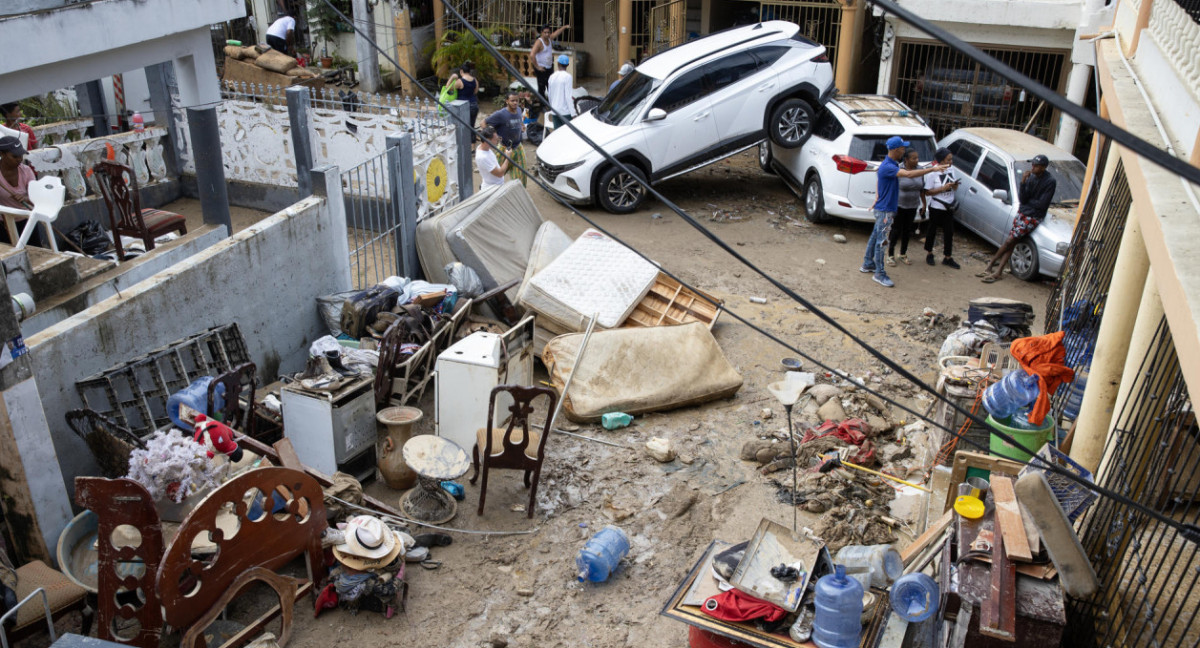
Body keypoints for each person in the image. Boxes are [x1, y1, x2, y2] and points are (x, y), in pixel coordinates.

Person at [861, 136, 948, 288]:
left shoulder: (891, 164)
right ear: (895, 150)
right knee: (882, 242)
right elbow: (907, 174)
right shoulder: (889, 166)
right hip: (885, 210)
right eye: (902, 148)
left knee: (876, 235)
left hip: (884, 209)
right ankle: (879, 273)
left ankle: (868, 263)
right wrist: (933, 169)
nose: (904, 151)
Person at [978, 154, 1057, 283]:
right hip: (1023, 212)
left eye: (1036, 166)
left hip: (1033, 216)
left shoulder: (1050, 182)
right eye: (1033, 165)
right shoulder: (1030, 177)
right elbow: (1023, 198)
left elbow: (1042, 204)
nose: (1033, 168)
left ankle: (991, 264)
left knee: (1010, 241)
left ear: (1043, 167)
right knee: (1012, 242)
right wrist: (1023, 182)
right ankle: (998, 270)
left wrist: (1029, 203)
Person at [922, 147, 961, 269]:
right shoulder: (933, 173)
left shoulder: (951, 170)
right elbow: (927, 192)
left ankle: (948, 257)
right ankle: (929, 253)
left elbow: (955, 188)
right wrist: (941, 189)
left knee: (949, 232)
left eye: (951, 159)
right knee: (932, 230)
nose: (951, 162)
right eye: (948, 159)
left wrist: (954, 186)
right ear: (942, 160)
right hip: (937, 206)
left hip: (949, 206)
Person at [887, 148, 924, 266]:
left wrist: (924, 204)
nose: (917, 160)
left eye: (917, 158)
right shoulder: (899, 169)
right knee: (896, 229)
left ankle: (903, 253)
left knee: (907, 230)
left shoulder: (920, 170)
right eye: (914, 158)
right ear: (906, 159)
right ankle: (890, 254)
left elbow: (922, 189)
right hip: (899, 205)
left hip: (913, 205)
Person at [529, 24, 571, 98]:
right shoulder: (539, 42)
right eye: (545, 32)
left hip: (549, 67)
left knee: (551, 85)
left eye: (548, 32)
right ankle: (542, 104)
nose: (547, 34)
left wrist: (564, 27)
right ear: (541, 32)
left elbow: (557, 33)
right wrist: (537, 67)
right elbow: (532, 55)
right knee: (542, 87)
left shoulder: (549, 38)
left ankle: (551, 102)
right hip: (541, 68)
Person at [445, 62, 479, 142]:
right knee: (472, 126)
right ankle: (473, 147)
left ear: (461, 71)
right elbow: (475, 92)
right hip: (474, 105)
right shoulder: (475, 80)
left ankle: (463, 144)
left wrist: (452, 77)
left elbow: (448, 88)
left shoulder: (460, 81)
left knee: (462, 126)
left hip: (463, 107)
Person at [546, 54, 576, 129]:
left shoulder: (552, 76)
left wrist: (552, 107)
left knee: (557, 134)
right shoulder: (568, 77)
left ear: (558, 64)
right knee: (568, 134)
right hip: (565, 112)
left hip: (555, 111)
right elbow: (568, 96)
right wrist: (573, 113)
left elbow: (549, 94)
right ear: (568, 65)